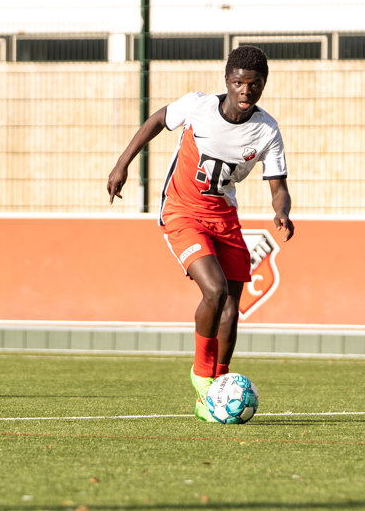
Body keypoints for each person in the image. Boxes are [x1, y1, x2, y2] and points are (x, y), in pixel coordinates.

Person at [107, 45, 294, 423]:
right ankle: (200, 376)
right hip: (181, 211)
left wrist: (282, 212)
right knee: (215, 290)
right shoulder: (198, 106)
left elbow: (278, 183)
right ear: (227, 82)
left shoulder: (267, 129)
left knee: (231, 309)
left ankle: (217, 387)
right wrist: (122, 164)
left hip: (224, 216)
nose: (246, 91)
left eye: (254, 85)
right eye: (239, 83)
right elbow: (157, 121)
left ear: (263, 86)